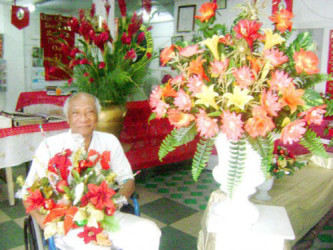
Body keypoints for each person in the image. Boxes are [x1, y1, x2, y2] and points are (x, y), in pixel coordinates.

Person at [22, 92, 161, 250]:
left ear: (97, 117)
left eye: (90, 112)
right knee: (97, 248)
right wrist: (41, 220)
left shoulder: (109, 141)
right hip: (68, 223)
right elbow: (27, 192)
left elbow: (127, 180)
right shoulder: (50, 146)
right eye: (76, 113)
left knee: (149, 231)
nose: (83, 118)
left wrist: (115, 203)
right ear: (67, 118)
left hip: (105, 215)